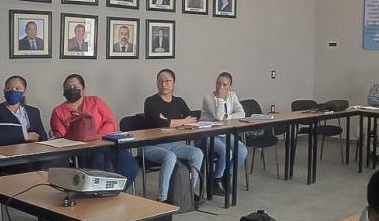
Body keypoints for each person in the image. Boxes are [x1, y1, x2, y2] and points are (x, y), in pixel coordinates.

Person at [50, 74, 138, 192]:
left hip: (107, 143)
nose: (71, 89)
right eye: (67, 87)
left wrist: (97, 137)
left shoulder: (95, 101)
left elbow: (110, 123)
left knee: (130, 166)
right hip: (82, 151)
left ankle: (115, 193)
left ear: (83, 89)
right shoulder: (58, 111)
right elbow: (61, 136)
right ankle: (99, 194)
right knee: (100, 165)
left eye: (75, 86)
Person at [143, 69, 203, 202]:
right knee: (170, 157)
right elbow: (159, 123)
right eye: (160, 81)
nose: (164, 84)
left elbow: (192, 119)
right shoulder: (151, 101)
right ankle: (162, 198)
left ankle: (187, 192)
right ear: (157, 84)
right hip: (151, 146)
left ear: (174, 83)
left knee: (197, 153)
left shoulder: (179, 101)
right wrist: (178, 121)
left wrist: (169, 121)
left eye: (167, 81)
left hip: (172, 145)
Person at [200, 72, 248, 195]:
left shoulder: (232, 96)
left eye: (224, 85)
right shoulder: (208, 98)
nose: (220, 87)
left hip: (224, 134)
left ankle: (227, 175)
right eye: (218, 84)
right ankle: (216, 179)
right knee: (227, 152)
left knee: (242, 151)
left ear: (230, 87)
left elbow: (241, 113)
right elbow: (219, 116)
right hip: (208, 134)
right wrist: (220, 99)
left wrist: (229, 116)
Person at [0, 75, 48, 147]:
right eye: (9, 88)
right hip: (5, 153)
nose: (13, 90)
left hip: (32, 153)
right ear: (4, 91)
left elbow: (42, 137)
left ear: (24, 92)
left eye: (18, 88)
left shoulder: (34, 111)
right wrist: (25, 136)